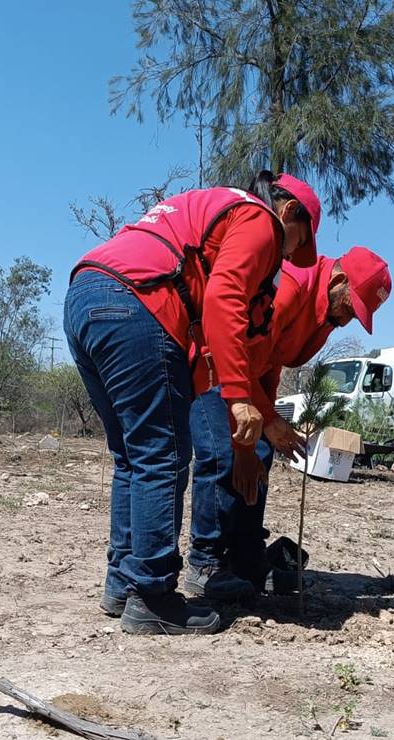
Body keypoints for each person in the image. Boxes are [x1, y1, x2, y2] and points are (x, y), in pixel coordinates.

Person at [65, 170, 321, 635]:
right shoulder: (260, 218)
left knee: (132, 456)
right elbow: (226, 297)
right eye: (292, 244)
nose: (283, 257)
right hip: (138, 303)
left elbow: (211, 351)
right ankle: (153, 596)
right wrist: (242, 399)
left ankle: (123, 585)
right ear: (289, 212)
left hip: (86, 293)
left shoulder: (208, 210)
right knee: (163, 456)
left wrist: (254, 422)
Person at [187, 247, 391, 599]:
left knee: (261, 451)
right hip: (216, 362)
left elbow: (269, 360)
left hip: (248, 373)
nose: (347, 319)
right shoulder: (293, 286)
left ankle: (245, 557)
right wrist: (262, 420)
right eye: (349, 307)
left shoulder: (323, 312)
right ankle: (205, 563)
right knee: (221, 454)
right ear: (339, 280)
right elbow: (241, 349)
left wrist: (267, 422)